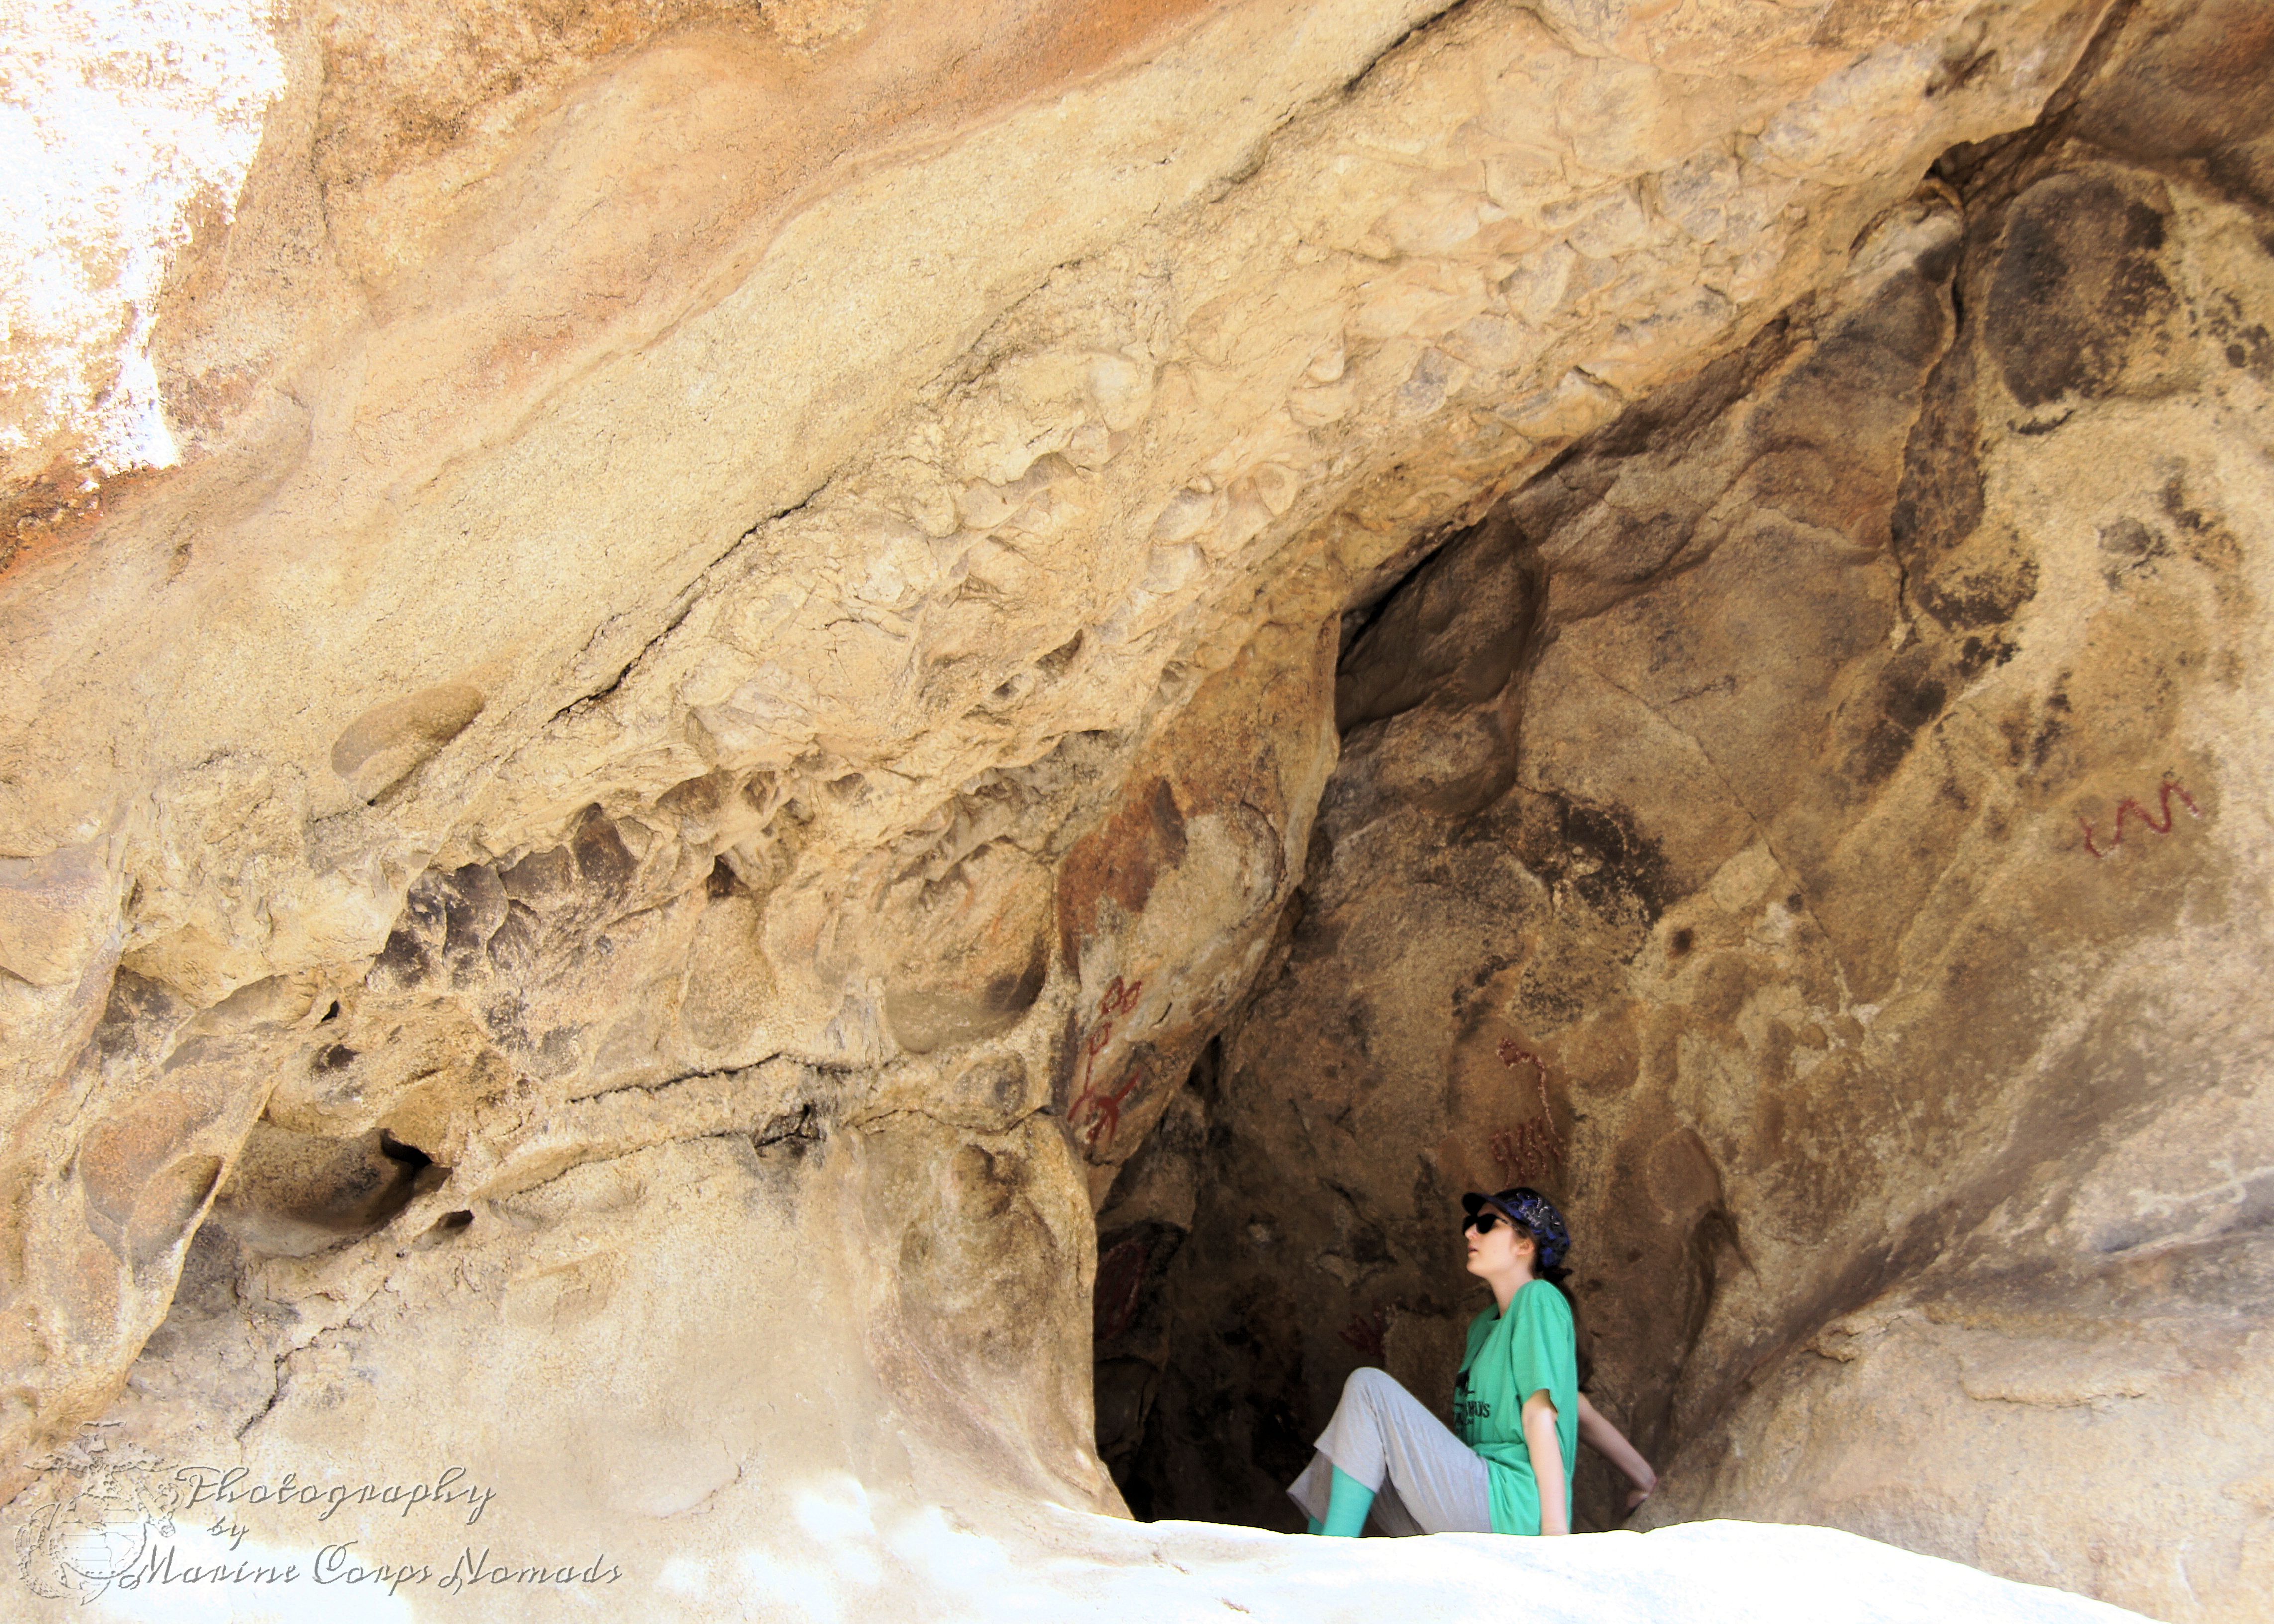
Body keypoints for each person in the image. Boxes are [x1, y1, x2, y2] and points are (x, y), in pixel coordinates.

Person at [1286, 1186, 1656, 1537]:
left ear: (1525, 1244)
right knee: (1345, 1439)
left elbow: (1541, 1414)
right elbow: (1575, 1407)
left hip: (1511, 1507)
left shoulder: (1538, 1299)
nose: (1470, 1235)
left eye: (1484, 1225)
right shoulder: (1483, 1327)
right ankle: (1319, 1557)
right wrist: (1643, 1478)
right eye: (1469, 1226)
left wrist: (1554, 1535)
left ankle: (1331, 1556)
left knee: (1368, 1388)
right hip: (1476, 1498)